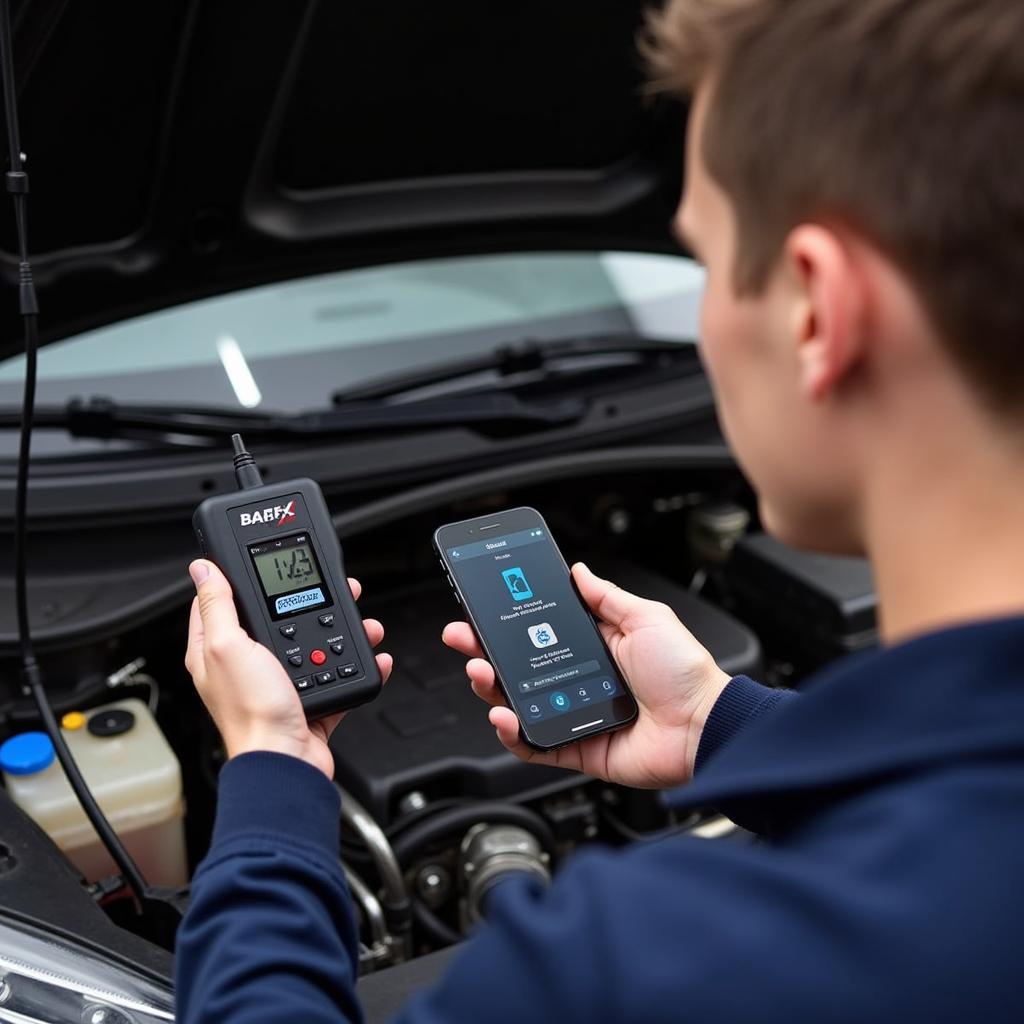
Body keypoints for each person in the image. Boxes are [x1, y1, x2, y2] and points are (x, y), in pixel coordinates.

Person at [176, 0, 1024, 1020]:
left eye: (703, 264)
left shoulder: (643, 971)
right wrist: (724, 723)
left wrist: (272, 776)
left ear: (815, 312)